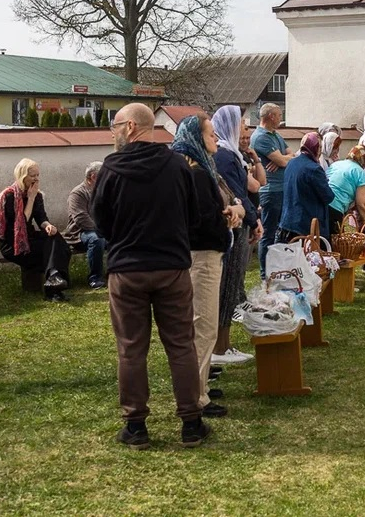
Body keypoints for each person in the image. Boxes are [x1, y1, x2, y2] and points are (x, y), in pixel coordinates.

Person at [92, 103, 209, 449]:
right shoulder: (177, 164)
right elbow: (194, 215)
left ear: (129, 127)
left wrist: (124, 240)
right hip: (171, 266)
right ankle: (191, 421)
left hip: (128, 269)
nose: (112, 133)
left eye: (114, 126)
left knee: (131, 349)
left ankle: (136, 425)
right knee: (181, 345)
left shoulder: (111, 168)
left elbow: (101, 221)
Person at [172, 115, 245, 420]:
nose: (215, 139)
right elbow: (204, 221)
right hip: (201, 257)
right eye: (210, 134)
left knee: (197, 326)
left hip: (189, 255)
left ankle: (197, 385)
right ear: (196, 138)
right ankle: (197, 396)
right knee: (202, 327)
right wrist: (231, 216)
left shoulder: (186, 167)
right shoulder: (197, 173)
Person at [211, 105, 261, 370]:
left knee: (232, 285)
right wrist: (253, 220)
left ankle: (224, 345)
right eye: (241, 124)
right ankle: (220, 347)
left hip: (242, 221)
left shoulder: (231, 153)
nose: (245, 128)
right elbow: (236, 193)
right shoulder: (226, 156)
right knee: (228, 285)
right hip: (235, 225)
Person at [0, 158, 70, 301]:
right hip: (13, 244)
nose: (36, 179)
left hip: (29, 238)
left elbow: (41, 218)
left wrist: (48, 226)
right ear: (22, 176)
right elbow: (20, 224)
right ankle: (54, 286)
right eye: (32, 176)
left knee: (56, 239)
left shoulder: (38, 195)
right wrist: (30, 199)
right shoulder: (9, 196)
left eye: (38, 175)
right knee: (55, 250)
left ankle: (53, 279)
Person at [251, 103, 292, 278]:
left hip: (281, 189)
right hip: (271, 191)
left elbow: (293, 155)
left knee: (280, 231)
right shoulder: (261, 137)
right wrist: (281, 159)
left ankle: (276, 270)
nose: (281, 118)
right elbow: (284, 162)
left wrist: (282, 158)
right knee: (268, 233)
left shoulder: (275, 135)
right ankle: (265, 274)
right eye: (279, 115)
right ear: (271, 117)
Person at [278, 132, 336, 244]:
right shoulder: (314, 169)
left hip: (288, 221)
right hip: (306, 225)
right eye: (319, 147)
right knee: (308, 260)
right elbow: (328, 196)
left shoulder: (292, 162)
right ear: (314, 148)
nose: (320, 151)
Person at [63, 160, 107, 289]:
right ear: (93, 177)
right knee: (96, 239)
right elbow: (81, 218)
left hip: (100, 229)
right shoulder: (78, 193)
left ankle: (117, 273)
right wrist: (102, 229)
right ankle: (95, 278)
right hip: (80, 232)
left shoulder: (103, 191)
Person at [326, 146, 365, 235]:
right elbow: (361, 203)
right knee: (333, 241)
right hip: (336, 207)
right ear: (364, 159)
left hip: (323, 203)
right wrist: (364, 220)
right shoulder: (360, 173)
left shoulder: (336, 164)